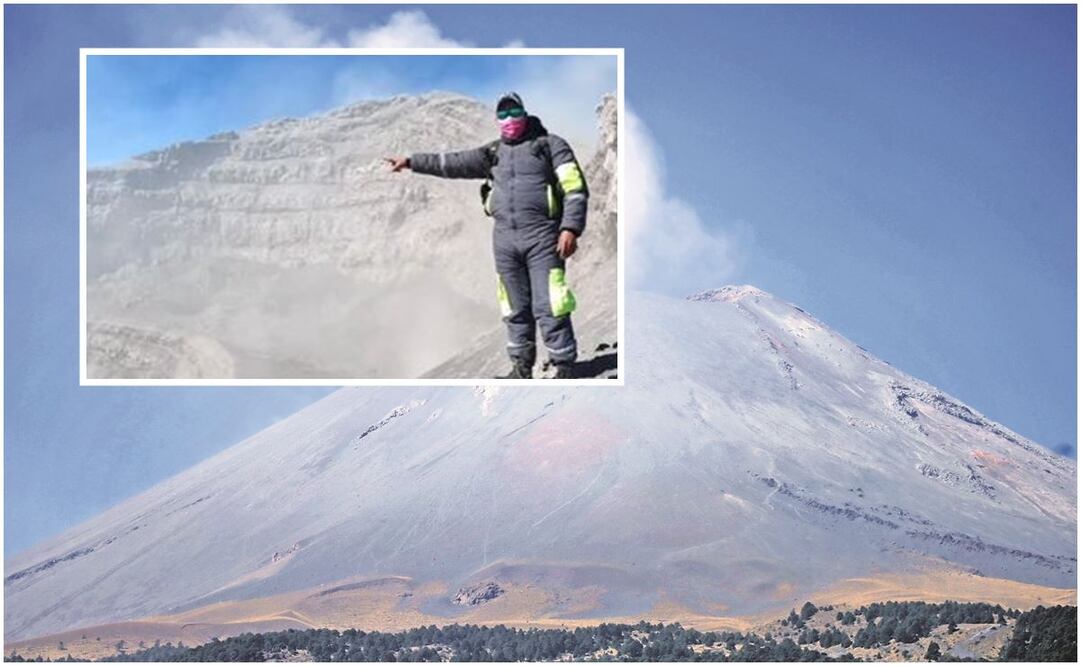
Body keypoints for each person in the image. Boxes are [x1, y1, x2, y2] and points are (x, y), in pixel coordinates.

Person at [385, 92, 588, 379]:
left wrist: (570, 227)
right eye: (502, 115)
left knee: (551, 302)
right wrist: (411, 161)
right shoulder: (493, 153)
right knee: (513, 306)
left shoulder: (550, 145)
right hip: (504, 242)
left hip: (543, 237)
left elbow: (575, 187)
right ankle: (520, 367)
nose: (509, 120)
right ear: (497, 120)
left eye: (514, 112)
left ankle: (565, 365)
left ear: (525, 113)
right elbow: (451, 163)